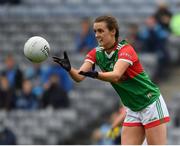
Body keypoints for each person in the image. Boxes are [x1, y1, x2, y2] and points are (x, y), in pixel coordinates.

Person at [52, 15, 170, 145]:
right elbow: (80, 76)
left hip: (150, 103)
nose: (97, 35)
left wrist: (96, 74)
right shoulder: (95, 53)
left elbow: (116, 75)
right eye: (95, 31)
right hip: (133, 109)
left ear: (113, 31)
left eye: (101, 31)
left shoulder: (126, 49)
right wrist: (69, 69)